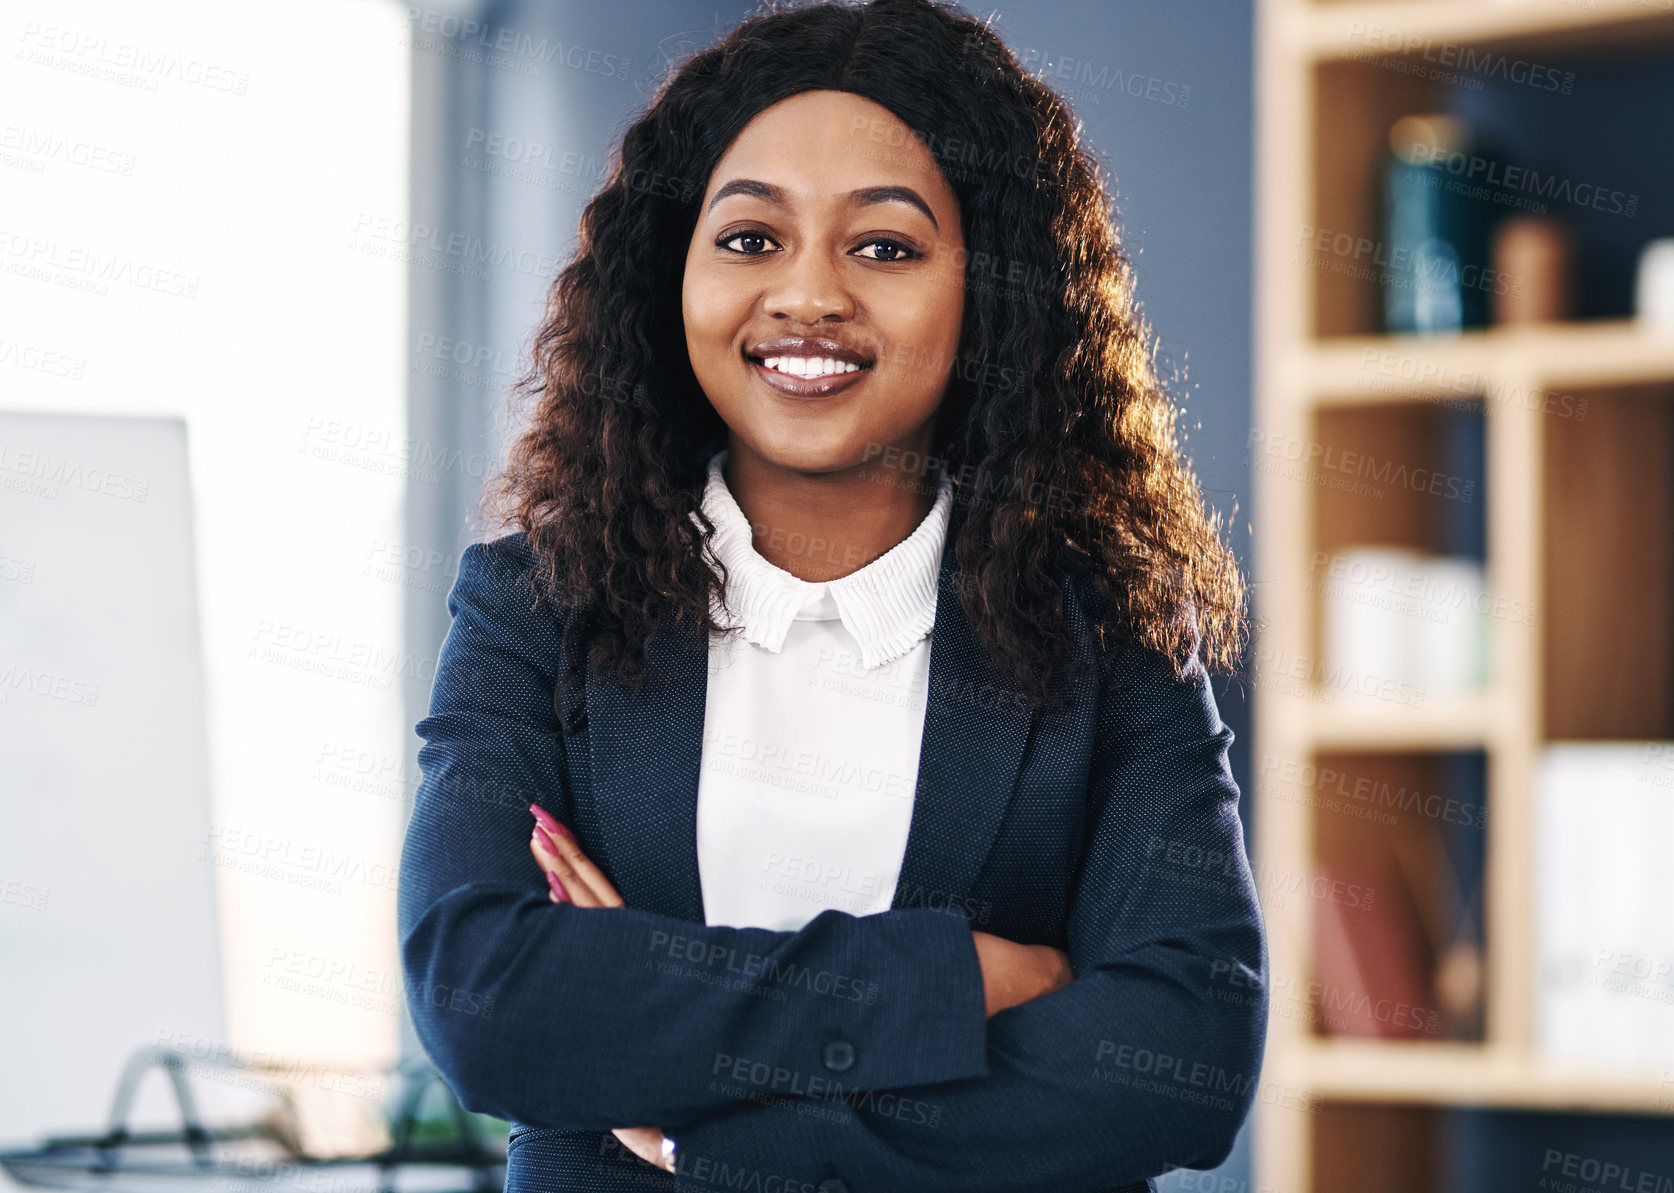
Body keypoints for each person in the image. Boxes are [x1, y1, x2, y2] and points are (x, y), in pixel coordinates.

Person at [397, 1, 1267, 1190]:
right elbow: (482, 997)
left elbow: (1184, 1052)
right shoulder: (534, 609)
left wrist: (698, 1120)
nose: (807, 295)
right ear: (673, 272)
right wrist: (951, 981)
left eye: (886, 246)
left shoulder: (1112, 635)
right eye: (751, 238)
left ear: (992, 292)